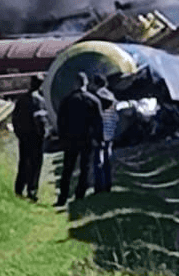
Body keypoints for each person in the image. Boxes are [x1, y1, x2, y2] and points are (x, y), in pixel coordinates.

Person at [55, 71, 103, 206]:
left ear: (75, 83)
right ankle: (79, 195)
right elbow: (99, 122)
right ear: (86, 83)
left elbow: (61, 122)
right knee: (85, 168)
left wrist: (61, 138)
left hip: (70, 139)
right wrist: (99, 139)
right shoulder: (94, 100)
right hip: (87, 139)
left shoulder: (67, 100)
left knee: (67, 169)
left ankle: (62, 197)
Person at [11, 73, 48, 202]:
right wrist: (43, 134)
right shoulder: (40, 101)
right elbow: (41, 121)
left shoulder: (21, 100)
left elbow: (14, 119)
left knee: (23, 163)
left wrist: (19, 133)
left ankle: (19, 189)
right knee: (36, 164)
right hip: (36, 138)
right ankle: (32, 191)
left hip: (24, 137)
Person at [91, 74, 118, 194]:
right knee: (107, 160)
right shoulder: (111, 96)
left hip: (99, 133)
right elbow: (116, 117)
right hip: (110, 132)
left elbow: (95, 117)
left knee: (98, 160)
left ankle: (98, 186)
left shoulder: (96, 97)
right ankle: (108, 185)